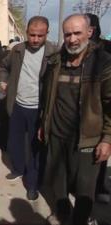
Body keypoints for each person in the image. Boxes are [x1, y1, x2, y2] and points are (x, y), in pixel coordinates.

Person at [39, 14, 111, 224]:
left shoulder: (103, 64)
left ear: (89, 32)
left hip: (88, 139)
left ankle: (80, 220)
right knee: (57, 180)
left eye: (77, 33)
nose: (72, 39)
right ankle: (62, 212)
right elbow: (47, 96)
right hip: (56, 134)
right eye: (67, 34)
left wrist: (107, 139)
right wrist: (44, 123)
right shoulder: (55, 62)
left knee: (85, 187)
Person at [0, 16, 57, 201]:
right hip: (17, 105)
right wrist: (3, 81)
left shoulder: (54, 53)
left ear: (47, 34)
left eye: (40, 36)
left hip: (39, 109)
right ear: (26, 33)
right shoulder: (17, 50)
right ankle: (17, 168)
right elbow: (3, 67)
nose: (35, 39)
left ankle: (32, 184)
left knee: (34, 147)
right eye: (32, 35)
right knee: (14, 141)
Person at [86, 12, 111, 204]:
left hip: (101, 109)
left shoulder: (105, 48)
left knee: (101, 152)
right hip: (83, 111)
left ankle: (98, 188)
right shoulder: (74, 48)